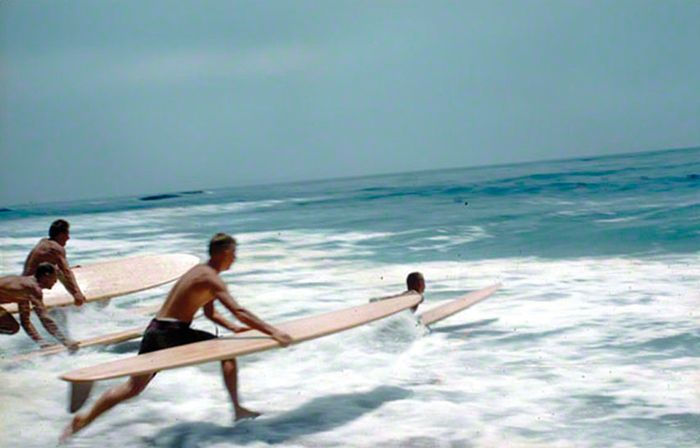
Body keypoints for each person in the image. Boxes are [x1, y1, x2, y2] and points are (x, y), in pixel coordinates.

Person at [61, 233, 293, 441]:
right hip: (172, 332)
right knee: (228, 352)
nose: (235, 258)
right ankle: (238, 409)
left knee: (133, 386)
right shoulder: (211, 278)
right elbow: (239, 311)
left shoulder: (200, 272)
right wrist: (273, 332)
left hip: (155, 330)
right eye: (234, 253)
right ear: (225, 253)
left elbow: (210, 313)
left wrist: (233, 328)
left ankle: (83, 421)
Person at [0, 262, 79, 350]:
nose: (56, 281)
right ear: (46, 275)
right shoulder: (33, 289)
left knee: (13, 327)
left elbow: (25, 322)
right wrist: (65, 341)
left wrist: (41, 342)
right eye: (55, 277)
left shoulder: (24, 290)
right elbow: (44, 318)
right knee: (12, 327)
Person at [23, 219, 86, 307]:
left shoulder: (44, 242)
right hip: (31, 287)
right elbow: (66, 272)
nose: (68, 238)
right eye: (67, 234)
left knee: (57, 270)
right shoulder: (55, 248)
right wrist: (77, 293)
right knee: (61, 272)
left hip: (24, 281)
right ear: (60, 235)